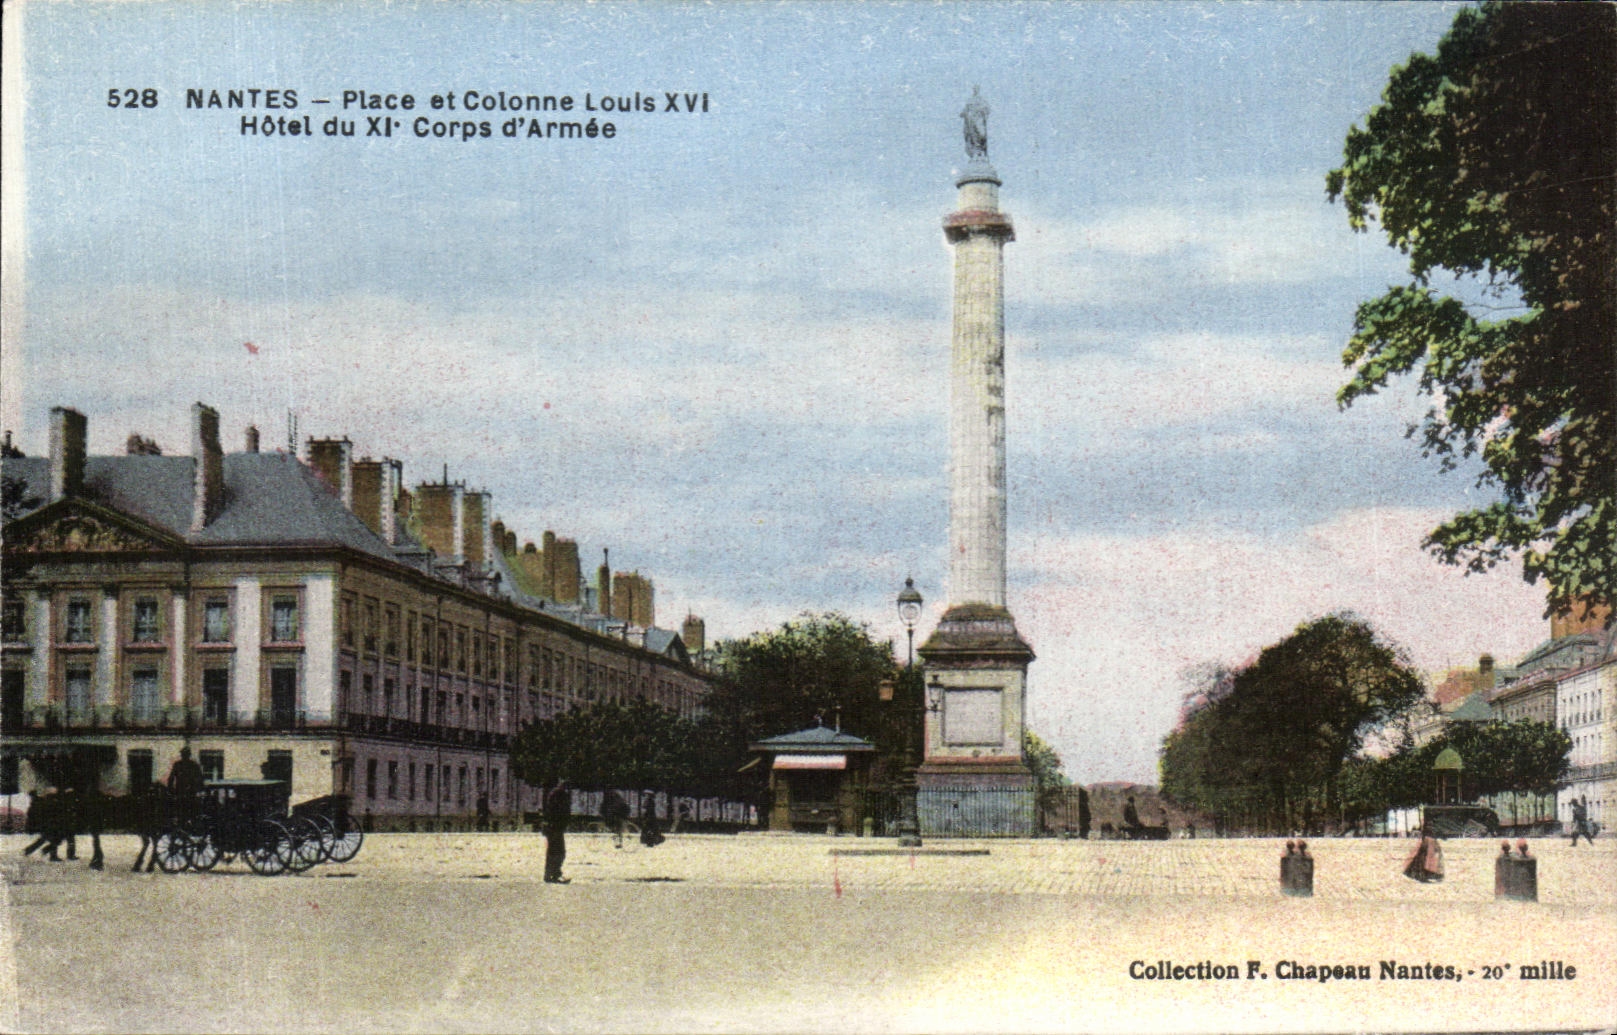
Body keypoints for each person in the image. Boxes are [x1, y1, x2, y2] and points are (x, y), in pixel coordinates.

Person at [543, 779, 570, 884]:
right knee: (558, 852)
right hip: (555, 828)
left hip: (555, 827)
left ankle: (550, 874)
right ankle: (554, 874)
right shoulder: (558, 795)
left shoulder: (555, 794)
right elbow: (556, 812)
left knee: (553, 852)